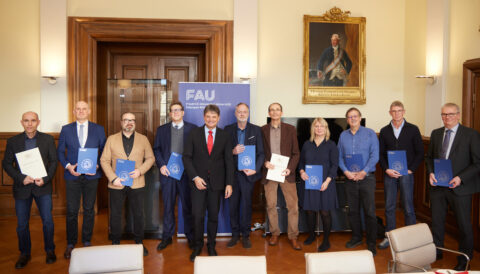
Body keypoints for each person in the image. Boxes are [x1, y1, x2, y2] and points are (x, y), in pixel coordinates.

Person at [425, 103, 480, 271]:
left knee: (464, 225)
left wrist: (460, 178)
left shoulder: (471, 135)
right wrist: (430, 173)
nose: (446, 118)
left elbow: (478, 163)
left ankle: (465, 257)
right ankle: (438, 251)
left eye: (450, 114)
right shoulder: (436, 134)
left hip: (460, 188)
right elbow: (429, 158)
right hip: (438, 186)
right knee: (437, 222)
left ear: (458, 115)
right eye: (443, 115)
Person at [2, 111, 57, 269]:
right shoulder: (13, 141)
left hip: (43, 187)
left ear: (38, 122)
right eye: (26, 121)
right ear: (22, 122)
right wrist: (21, 178)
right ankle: (24, 253)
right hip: (22, 187)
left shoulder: (47, 139)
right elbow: (6, 164)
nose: (30, 123)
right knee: (22, 224)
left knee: (48, 221)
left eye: (33, 120)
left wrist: (45, 179)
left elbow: (53, 162)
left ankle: (50, 250)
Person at [183, 104, 234, 262]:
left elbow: (229, 161)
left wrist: (229, 183)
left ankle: (211, 245)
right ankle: (198, 246)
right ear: (203, 117)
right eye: (208, 116)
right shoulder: (194, 133)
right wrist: (195, 178)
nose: (211, 119)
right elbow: (186, 157)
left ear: (218, 118)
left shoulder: (225, 135)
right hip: (198, 183)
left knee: (213, 216)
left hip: (217, 184)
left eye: (214, 117)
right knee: (197, 215)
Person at [100, 112, 154, 256]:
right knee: (116, 214)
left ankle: (139, 242)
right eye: (126, 120)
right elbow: (104, 160)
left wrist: (140, 171)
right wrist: (113, 178)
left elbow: (150, 158)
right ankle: (115, 242)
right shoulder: (111, 139)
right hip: (117, 184)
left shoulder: (143, 139)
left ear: (135, 123)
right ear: (121, 122)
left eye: (132, 120)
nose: (129, 123)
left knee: (138, 214)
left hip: (137, 182)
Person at [57, 101, 106, 259]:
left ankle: (86, 241)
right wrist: (68, 166)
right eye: (78, 109)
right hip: (72, 176)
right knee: (71, 211)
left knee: (89, 210)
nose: (81, 111)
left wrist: (98, 165)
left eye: (84, 109)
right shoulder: (66, 129)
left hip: (92, 176)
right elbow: (60, 152)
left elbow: (105, 151)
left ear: (89, 111)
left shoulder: (99, 129)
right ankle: (71, 243)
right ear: (74, 111)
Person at [377, 101, 423, 249]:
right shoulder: (384, 131)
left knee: (408, 206)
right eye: (393, 111)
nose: (396, 113)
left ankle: (411, 239)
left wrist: (411, 169)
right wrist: (386, 169)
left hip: (406, 174)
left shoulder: (413, 129)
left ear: (404, 112)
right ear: (390, 113)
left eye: (399, 111)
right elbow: (381, 154)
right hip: (390, 174)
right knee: (389, 206)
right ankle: (389, 237)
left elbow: (420, 152)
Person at [154, 102, 196, 250]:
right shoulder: (162, 130)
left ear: (183, 112)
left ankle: (190, 237)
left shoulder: (193, 129)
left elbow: (197, 151)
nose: (176, 112)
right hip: (168, 174)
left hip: (186, 175)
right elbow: (157, 150)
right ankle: (167, 237)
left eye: (178, 110)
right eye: (173, 110)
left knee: (187, 207)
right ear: (170, 114)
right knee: (168, 207)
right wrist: (162, 165)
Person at [338, 107, 379, 256]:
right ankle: (356, 238)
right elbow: (339, 157)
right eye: (349, 117)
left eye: (355, 116)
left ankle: (371, 243)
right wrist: (346, 172)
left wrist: (363, 171)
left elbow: (375, 155)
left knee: (369, 212)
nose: (353, 119)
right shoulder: (343, 135)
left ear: (360, 118)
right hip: (350, 179)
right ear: (347, 120)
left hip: (367, 178)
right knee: (353, 211)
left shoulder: (370, 134)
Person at [261, 102, 301, 250]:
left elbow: (296, 153)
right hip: (270, 173)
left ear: (281, 113)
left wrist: (290, 169)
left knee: (293, 206)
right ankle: (275, 233)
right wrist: (265, 162)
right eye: (272, 110)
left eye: (277, 110)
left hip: (286, 173)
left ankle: (293, 236)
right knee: (271, 205)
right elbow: (260, 152)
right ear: (269, 113)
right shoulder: (262, 130)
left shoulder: (291, 129)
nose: (275, 112)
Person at [224, 103, 265, 249]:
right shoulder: (228, 130)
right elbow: (222, 152)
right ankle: (235, 235)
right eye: (239, 112)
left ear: (248, 113)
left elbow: (261, 153)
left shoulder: (256, 130)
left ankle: (246, 235)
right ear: (235, 113)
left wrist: (255, 168)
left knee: (246, 206)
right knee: (233, 206)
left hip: (248, 175)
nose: (242, 114)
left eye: (244, 112)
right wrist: (232, 151)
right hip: (232, 175)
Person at [299, 118, 339, 252]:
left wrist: (327, 181)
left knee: (325, 212)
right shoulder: (306, 144)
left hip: (325, 183)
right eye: (316, 126)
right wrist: (302, 172)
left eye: (322, 126)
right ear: (313, 129)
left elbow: (335, 165)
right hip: (310, 182)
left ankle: (326, 240)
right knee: (310, 211)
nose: (319, 128)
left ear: (326, 129)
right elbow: (301, 162)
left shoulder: (331, 144)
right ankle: (311, 236)